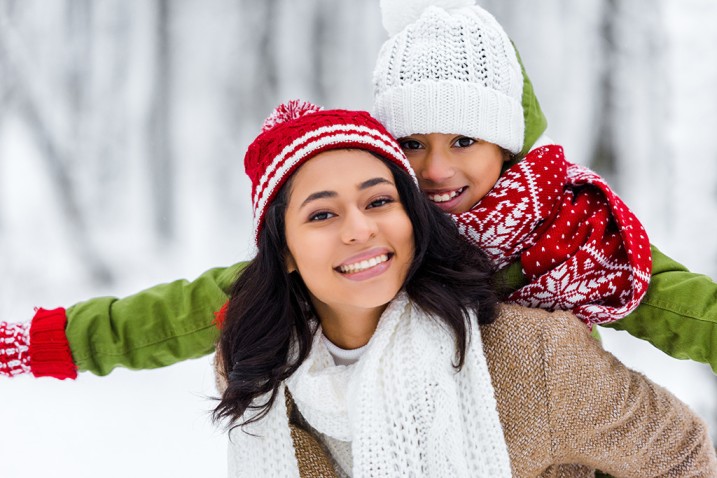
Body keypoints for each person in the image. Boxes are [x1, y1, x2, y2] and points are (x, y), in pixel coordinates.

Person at [1, 0, 716, 379]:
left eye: (463, 141)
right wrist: (43, 343)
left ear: (504, 144)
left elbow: (680, 309)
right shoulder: (376, 235)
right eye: (412, 143)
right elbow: (190, 311)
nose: (436, 170)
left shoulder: (571, 233)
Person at [212, 100, 717, 477]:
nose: (359, 230)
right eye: (322, 214)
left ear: (414, 219)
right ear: (283, 252)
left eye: (380, 201)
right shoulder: (258, 368)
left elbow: (683, 456)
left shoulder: (532, 354)